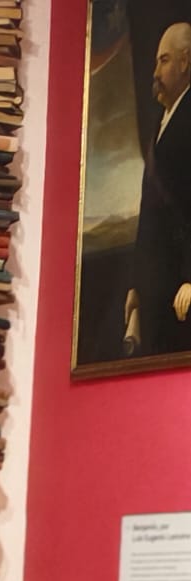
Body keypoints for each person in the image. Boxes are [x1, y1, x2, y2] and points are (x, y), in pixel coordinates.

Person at [125, 22, 191, 358]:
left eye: (164, 61)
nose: (155, 72)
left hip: (180, 287)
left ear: (185, 61)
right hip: (156, 286)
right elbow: (150, 212)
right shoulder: (162, 122)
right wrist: (137, 284)